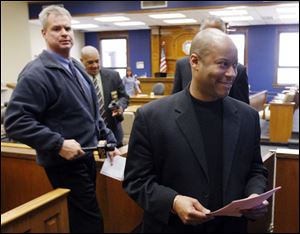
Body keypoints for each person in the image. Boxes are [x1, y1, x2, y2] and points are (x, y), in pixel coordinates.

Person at [123, 28, 268, 233]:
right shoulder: (152, 117)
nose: (232, 74)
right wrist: (173, 201)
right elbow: (136, 181)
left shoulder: (248, 117)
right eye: (223, 64)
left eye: (235, 66)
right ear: (195, 62)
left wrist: (254, 195)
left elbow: (255, 169)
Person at [4, 5, 120, 233]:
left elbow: (92, 114)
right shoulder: (36, 73)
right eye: (56, 28)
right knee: (90, 223)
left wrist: (109, 142)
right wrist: (57, 144)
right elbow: (15, 121)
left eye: (67, 27)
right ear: (44, 33)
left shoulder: (76, 66)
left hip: (86, 157)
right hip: (64, 164)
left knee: (83, 220)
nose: (65, 33)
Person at [172, 16, 250, 104]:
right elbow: (175, 98)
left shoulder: (239, 70)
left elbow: (242, 109)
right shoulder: (182, 64)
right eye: (208, 33)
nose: (231, 73)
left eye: (218, 33)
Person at [80, 46, 129, 147]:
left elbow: (124, 97)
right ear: (82, 61)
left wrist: (120, 106)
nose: (95, 65)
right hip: (89, 137)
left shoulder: (113, 76)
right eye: (90, 62)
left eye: (97, 61)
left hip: (114, 132)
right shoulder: (77, 80)